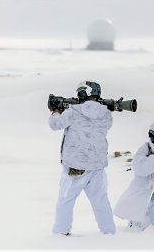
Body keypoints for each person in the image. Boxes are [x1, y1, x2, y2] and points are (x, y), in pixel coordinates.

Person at [48, 80, 116, 235]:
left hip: (75, 165)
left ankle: (61, 231)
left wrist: (56, 110)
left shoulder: (73, 112)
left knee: (66, 200)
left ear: (82, 93)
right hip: (97, 165)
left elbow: (55, 124)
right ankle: (109, 231)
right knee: (100, 200)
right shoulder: (106, 114)